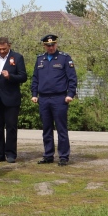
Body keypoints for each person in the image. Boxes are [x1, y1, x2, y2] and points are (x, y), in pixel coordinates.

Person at [31, 34, 78, 166]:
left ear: (56, 45)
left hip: (59, 98)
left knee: (61, 128)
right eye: (48, 45)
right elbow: (35, 78)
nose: (50, 47)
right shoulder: (40, 59)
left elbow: (72, 78)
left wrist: (70, 94)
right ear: (44, 46)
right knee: (46, 128)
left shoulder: (64, 58)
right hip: (44, 98)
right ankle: (48, 155)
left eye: (53, 45)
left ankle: (63, 156)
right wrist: (34, 93)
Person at [0, 37, 27, 163]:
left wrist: (10, 76)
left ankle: (10, 154)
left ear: (9, 46)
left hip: (11, 98)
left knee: (11, 127)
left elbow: (23, 76)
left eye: (4, 49)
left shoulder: (17, 57)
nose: (2, 51)